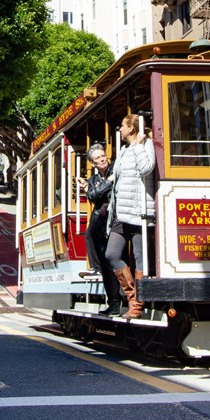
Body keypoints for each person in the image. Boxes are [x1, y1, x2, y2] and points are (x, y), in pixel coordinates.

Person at [105, 114, 156, 319]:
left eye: (123, 126)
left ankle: (137, 306)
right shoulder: (124, 150)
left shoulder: (146, 145)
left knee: (140, 259)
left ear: (132, 129)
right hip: (120, 213)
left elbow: (146, 168)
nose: (120, 130)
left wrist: (139, 145)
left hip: (138, 212)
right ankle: (132, 297)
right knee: (112, 254)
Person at [77, 144, 121, 315]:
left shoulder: (114, 169)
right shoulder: (94, 179)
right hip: (100, 227)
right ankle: (113, 302)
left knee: (113, 260)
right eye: (98, 158)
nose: (102, 159)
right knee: (105, 262)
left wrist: (98, 186)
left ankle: (121, 299)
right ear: (92, 163)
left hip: (114, 221)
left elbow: (96, 194)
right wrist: (95, 186)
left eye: (103, 156)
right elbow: (93, 195)